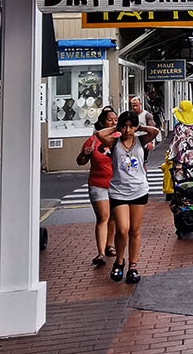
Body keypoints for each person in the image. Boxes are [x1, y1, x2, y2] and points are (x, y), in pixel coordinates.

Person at [93, 111, 150, 283]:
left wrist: (138, 127)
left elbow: (154, 132)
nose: (127, 130)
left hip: (139, 190)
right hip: (118, 191)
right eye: (124, 126)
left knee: (135, 230)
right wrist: (115, 128)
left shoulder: (141, 140)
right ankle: (119, 261)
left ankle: (133, 266)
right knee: (122, 229)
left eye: (131, 126)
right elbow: (99, 134)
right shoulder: (114, 142)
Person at [77, 106, 118, 266]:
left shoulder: (119, 138)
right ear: (101, 122)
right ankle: (100, 253)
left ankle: (110, 245)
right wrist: (84, 154)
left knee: (113, 217)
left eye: (115, 120)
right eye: (110, 120)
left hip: (117, 184)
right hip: (98, 184)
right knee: (103, 217)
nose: (113, 123)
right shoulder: (92, 140)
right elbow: (80, 162)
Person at [167, 100, 193, 182]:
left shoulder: (179, 127)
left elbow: (177, 145)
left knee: (183, 186)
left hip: (184, 159)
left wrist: (174, 160)